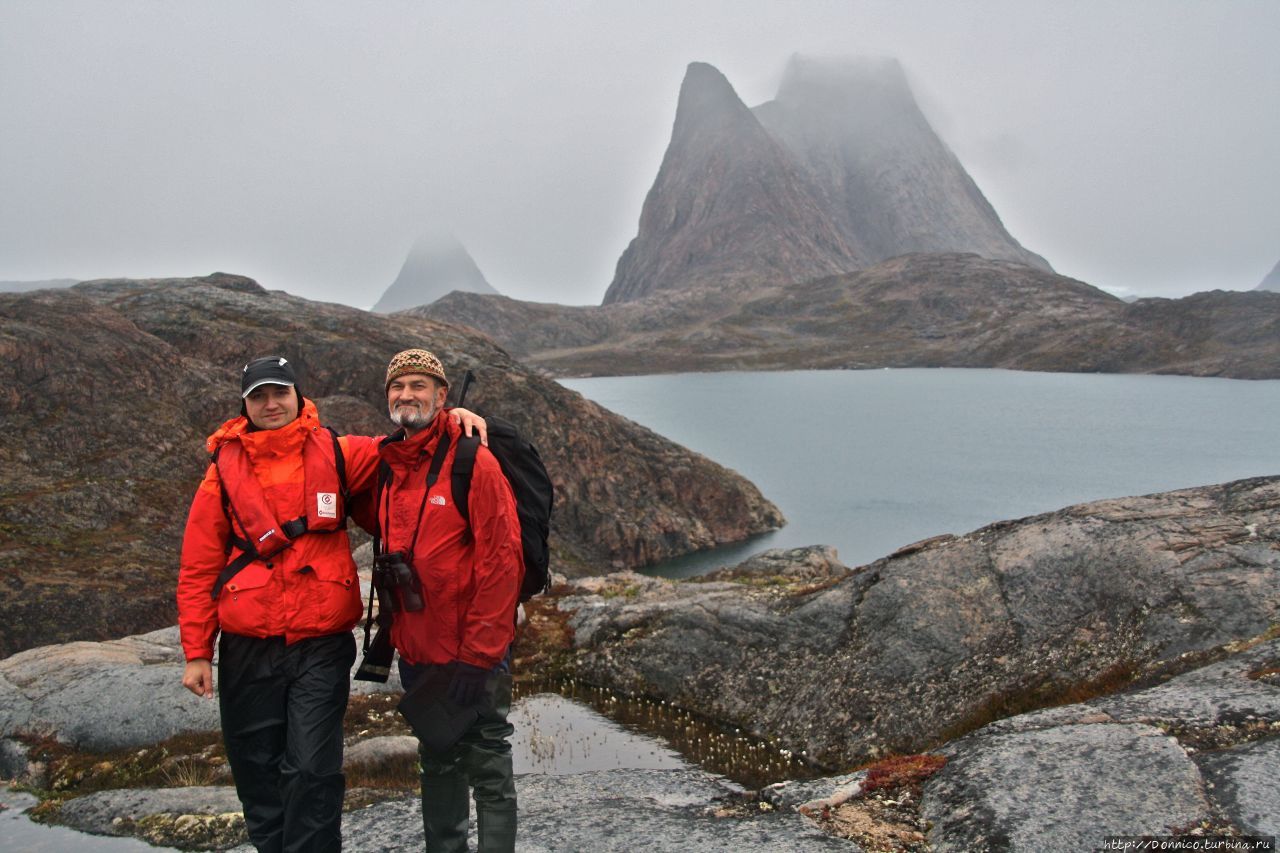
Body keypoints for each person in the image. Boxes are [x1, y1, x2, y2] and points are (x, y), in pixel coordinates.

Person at [177, 355, 485, 853]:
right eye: (259, 396)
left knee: (311, 769)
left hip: (320, 645)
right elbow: (198, 567)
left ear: (299, 396)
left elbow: (411, 446)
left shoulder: (341, 453)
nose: (271, 404)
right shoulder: (222, 472)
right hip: (246, 647)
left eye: (280, 393)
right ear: (245, 404)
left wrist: (457, 421)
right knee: (256, 769)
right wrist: (196, 650)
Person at [373, 348, 523, 853]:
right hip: (418, 651)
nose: (406, 395)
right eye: (398, 386)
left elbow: (503, 564)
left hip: (472, 653)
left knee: (487, 762)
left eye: (420, 386)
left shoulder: (471, 461)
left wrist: (478, 657)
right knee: (436, 756)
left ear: (441, 397)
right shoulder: (389, 464)